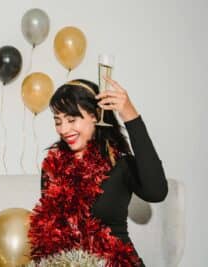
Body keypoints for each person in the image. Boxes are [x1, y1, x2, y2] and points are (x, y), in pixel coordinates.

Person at [28, 78, 168, 266]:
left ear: (94, 115)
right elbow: (52, 233)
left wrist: (130, 115)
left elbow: (156, 191)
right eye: (58, 121)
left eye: (71, 119)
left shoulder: (118, 163)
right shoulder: (52, 166)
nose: (63, 129)